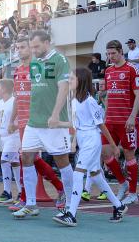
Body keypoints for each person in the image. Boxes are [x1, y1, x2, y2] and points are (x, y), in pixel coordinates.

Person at [54, 68, 128, 226]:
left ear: (80, 80)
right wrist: (59, 124)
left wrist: (114, 146)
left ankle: (71, 214)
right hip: (83, 139)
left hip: (91, 140)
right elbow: (75, 124)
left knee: (78, 173)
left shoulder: (90, 101)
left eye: (72, 78)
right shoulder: (74, 101)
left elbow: (101, 125)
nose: (70, 81)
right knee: (95, 175)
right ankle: (119, 206)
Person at [17, 30, 74, 220]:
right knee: (26, 157)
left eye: (36, 46)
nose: (34, 50)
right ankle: (31, 204)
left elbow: (64, 87)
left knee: (62, 161)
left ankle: (70, 203)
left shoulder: (60, 59)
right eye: (31, 47)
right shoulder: (35, 62)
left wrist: (56, 114)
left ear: (47, 42)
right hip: (34, 121)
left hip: (53, 123)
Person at [6, 35, 66, 211]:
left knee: (44, 157)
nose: (20, 50)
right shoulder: (17, 71)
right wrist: (12, 120)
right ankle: (35, 196)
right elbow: (17, 97)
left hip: (38, 121)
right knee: (29, 158)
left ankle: (34, 196)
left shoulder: (39, 68)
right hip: (24, 122)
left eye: (23, 47)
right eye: (18, 47)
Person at [103, 40, 139, 204]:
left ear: (121, 52)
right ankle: (123, 183)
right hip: (110, 121)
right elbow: (108, 95)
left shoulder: (132, 69)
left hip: (126, 121)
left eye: (113, 53)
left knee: (129, 155)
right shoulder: (108, 71)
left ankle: (133, 193)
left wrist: (132, 117)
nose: (110, 57)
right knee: (105, 153)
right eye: (108, 54)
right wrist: (105, 115)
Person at [0, 79, 20, 204]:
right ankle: (20, 192)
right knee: (14, 163)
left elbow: (23, 117)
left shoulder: (14, 101)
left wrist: (16, 126)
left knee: (4, 160)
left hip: (14, 136)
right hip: (3, 137)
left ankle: (7, 192)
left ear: (4, 89)